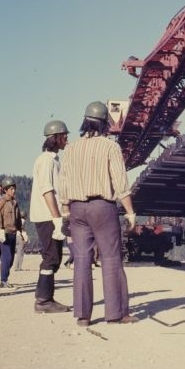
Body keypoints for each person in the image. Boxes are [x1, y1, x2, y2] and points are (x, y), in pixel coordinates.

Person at [58, 101, 138, 327]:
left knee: (82, 260)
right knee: (111, 258)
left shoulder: (71, 148)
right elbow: (120, 184)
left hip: (76, 209)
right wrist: (131, 212)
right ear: (105, 124)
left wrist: (65, 214)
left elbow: (63, 185)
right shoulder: (110, 147)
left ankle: (83, 316)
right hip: (102, 208)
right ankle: (116, 314)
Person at [30, 119, 70, 313]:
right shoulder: (46, 160)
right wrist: (56, 219)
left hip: (49, 216)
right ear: (55, 138)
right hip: (47, 216)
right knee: (51, 257)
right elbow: (47, 190)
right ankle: (44, 301)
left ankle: (45, 298)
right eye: (64, 135)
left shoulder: (52, 159)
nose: (67, 139)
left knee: (53, 257)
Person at [0, 177, 22, 288]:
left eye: (14, 188)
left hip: (13, 233)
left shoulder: (15, 202)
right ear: (5, 190)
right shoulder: (1, 202)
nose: (13, 190)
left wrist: (20, 230)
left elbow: (18, 218)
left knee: (11, 260)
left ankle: (5, 278)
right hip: (4, 233)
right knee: (7, 257)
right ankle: (3, 280)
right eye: (10, 188)